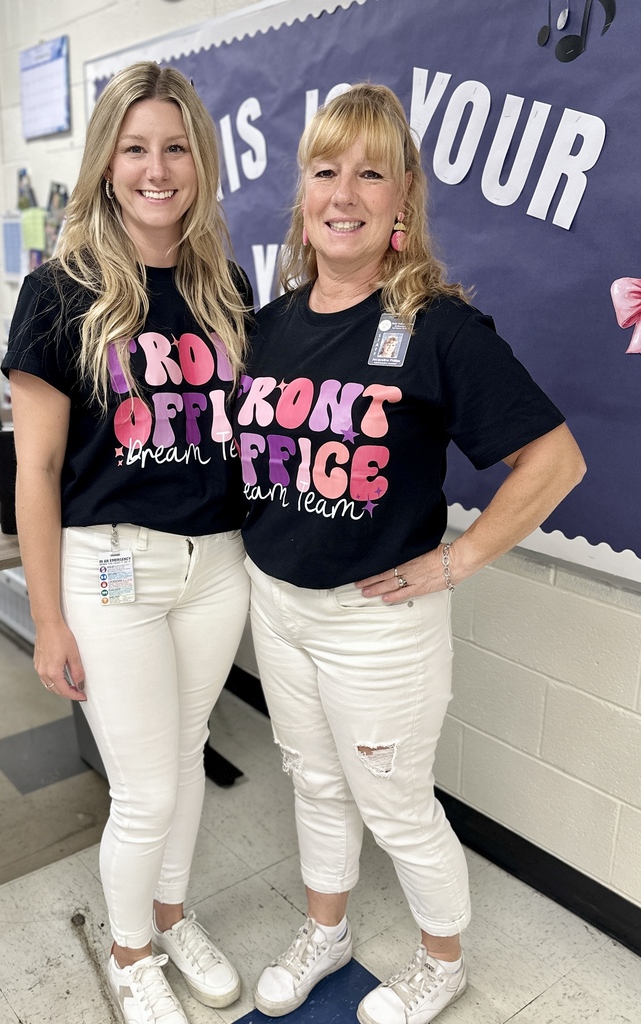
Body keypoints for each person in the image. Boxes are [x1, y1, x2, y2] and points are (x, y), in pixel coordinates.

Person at [235, 83, 586, 1024]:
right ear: (302, 195)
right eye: (325, 170)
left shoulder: (437, 326)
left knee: (394, 806)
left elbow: (555, 460)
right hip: (277, 601)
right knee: (312, 782)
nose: (343, 192)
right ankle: (327, 930)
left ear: (403, 202)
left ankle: (441, 959)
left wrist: (457, 560)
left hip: (377, 623)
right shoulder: (266, 326)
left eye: (370, 173)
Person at [2, 62, 252, 1024]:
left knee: (184, 760)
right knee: (145, 786)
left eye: (176, 147)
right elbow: (35, 472)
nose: (157, 169)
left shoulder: (224, 283)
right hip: (109, 571)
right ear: (107, 162)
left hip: (214, 566)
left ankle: (173, 913)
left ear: (201, 160)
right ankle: (131, 950)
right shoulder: (60, 290)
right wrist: (46, 618)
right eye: (136, 148)